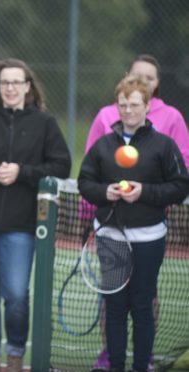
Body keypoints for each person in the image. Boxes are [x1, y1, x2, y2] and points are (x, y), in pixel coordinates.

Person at [0, 58, 71, 372]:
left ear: (27, 86)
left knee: (17, 295)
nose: (10, 88)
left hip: (21, 225)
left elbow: (61, 166)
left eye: (16, 82)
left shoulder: (44, 123)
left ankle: (16, 353)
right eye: (4, 83)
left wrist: (22, 172)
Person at [84, 54, 189, 371]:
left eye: (135, 104)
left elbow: (179, 186)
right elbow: (85, 182)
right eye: (123, 105)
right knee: (115, 306)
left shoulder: (163, 146)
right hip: (111, 236)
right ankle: (116, 365)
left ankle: (142, 364)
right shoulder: (103, 145)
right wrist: (106, 192)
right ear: (117, 107)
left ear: (147, 105)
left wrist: (146, 193)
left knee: (142, 304)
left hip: (149, 238)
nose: (128, 110)